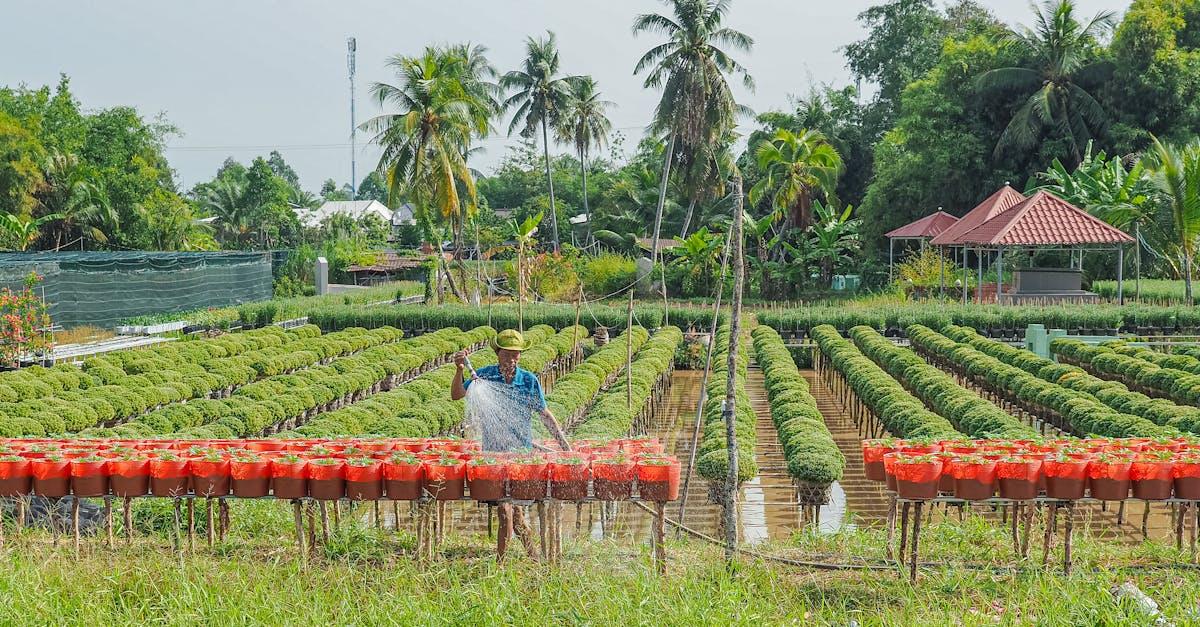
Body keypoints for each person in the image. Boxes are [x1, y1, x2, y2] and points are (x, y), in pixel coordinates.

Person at [451, 328, 571, 562]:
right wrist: (459, 370)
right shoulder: (483, 377)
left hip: (522, 457)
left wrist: (564, 445)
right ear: (498, 354)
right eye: (507, 354)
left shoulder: (528, 381)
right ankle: (510, 563)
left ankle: (522, 560)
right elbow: (457, 394)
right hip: (494, 457)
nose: (512, 359)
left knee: (513, 514)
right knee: (506, 511)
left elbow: (544, 414)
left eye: (516, 354)